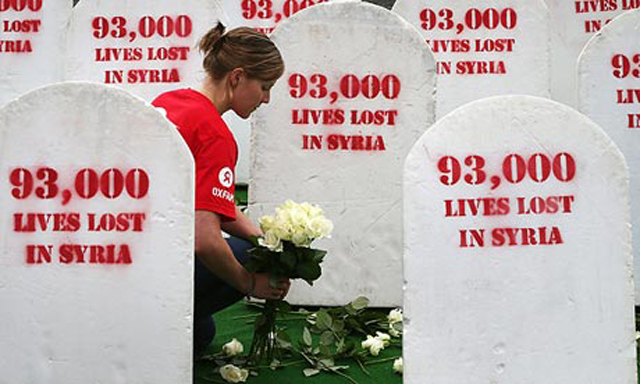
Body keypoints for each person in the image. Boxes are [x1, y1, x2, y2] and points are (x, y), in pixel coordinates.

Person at [152, 22, 290, 357]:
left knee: (203, 333)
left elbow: (210, 205)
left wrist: (270, 240)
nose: (267, 99)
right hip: (159, 274)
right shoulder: (216, 136)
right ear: (237, 77)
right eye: (265, 87)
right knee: (251, 258)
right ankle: (154, 327)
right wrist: (249, 283)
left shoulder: (171, 100)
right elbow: (205, 238)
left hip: (136, 253)